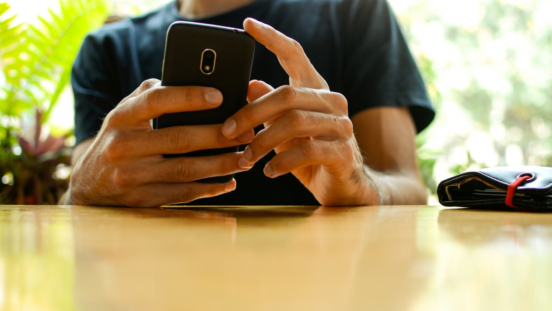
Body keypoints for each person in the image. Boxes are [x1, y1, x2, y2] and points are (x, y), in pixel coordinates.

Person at [60, 0, 435, 207]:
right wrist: (86, 186)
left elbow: (408, 186)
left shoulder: (355, 12)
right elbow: (76, 196)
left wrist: (361, 186)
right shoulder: (106, 49)